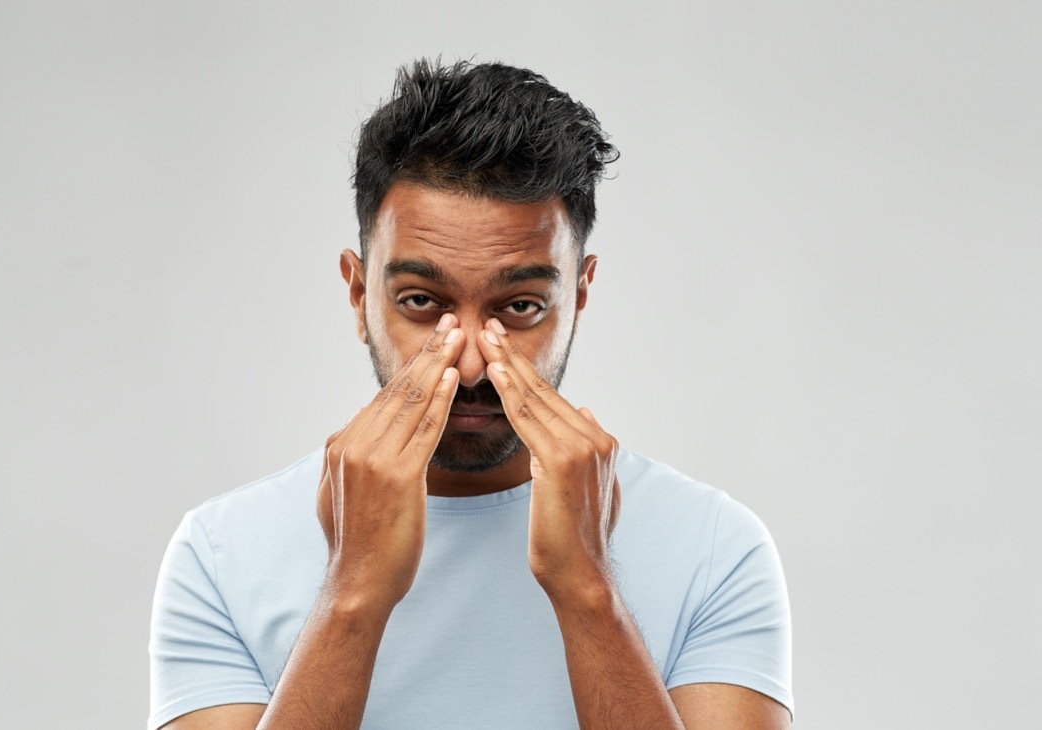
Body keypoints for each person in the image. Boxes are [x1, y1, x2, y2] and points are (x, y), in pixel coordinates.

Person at [148, 59, 793, 730]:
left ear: (579, 294)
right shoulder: (222, 553)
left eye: (519, 307)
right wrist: (354, 591)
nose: (473, 359)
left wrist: (587, 591)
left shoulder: (716, 548)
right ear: (357, 292)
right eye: (422, 302)